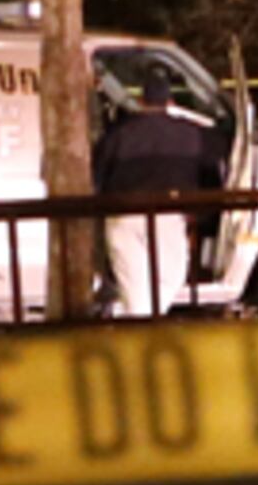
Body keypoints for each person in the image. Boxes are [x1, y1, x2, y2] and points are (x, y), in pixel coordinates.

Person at [92, 77, 225, 317]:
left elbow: (97, 176)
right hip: (168, 215)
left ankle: (141, 323)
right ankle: (147, 324)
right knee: (170, 277)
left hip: (123, 214)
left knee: (133, 283)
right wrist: (202, 215)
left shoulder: (119, 133)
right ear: (170, 102)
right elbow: (212, 176)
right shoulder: (191, 135)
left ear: (141, 101)